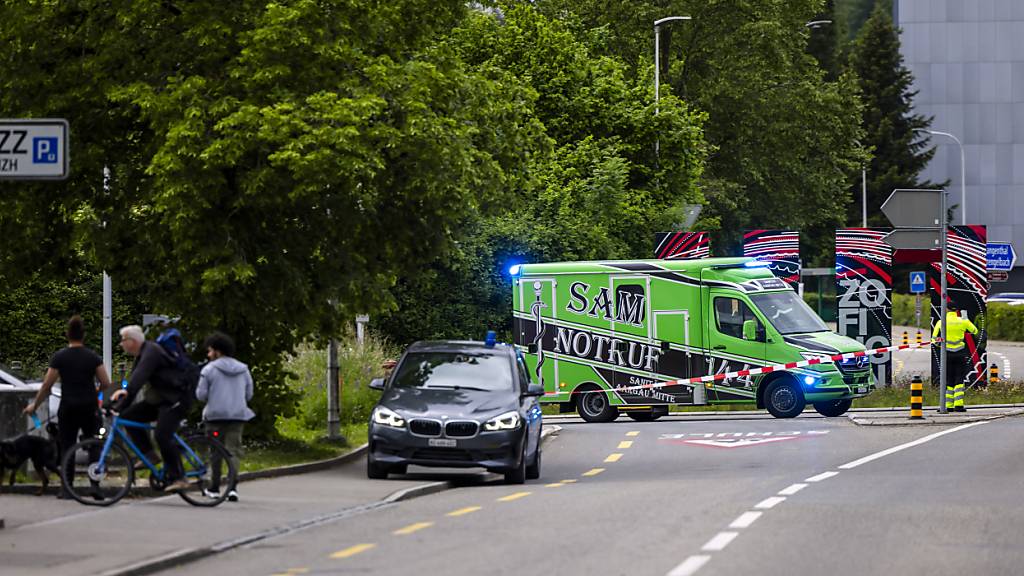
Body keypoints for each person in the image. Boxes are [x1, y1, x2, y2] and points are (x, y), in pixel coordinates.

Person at [24, 315, 114, 498]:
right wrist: (95, 391)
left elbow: (47, 385)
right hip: (89, 406)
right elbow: (106, 382)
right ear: (84, 335)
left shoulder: (60, 357)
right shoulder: (92, 357)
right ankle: (95, 485)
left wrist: (35, 405)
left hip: (68, 407)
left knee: (67, 446)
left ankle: (67, 487)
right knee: (94, 445)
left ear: (67, 335)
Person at [110, 325, 192, 492]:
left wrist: (120, 404)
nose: (121, 344)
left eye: (123, 341)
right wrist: (118, 405)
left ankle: (179, 477)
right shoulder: (142, 354)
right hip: (160, 400)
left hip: (175, 400)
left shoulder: (151, 352)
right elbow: (131, 384)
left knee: (162, 435)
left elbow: (137, 382)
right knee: (129, 417)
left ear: (132, 341)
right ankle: (149, 454)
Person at [195, 331, 254, 502]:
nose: (208, 354)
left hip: (215, 417)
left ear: (217, 351)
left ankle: (214, 488)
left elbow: (201, 394)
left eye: (210, 350)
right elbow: (249, 394)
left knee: (215, 452)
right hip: (237, 416)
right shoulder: (243, 369)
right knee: (233, 450)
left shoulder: (209, 370)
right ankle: (232, 487)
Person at [932, 302, 979, 412]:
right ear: (956, 310)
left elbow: (934, 340)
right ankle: (959, 405)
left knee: (948, 379)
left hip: (946, 354)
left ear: (946, 310)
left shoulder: (941, 322)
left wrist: (940, 342)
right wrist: (966, 319)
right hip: (960, 353)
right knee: (959, 378)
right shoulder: (962, 321)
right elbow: (975, 331)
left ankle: (948, 406)